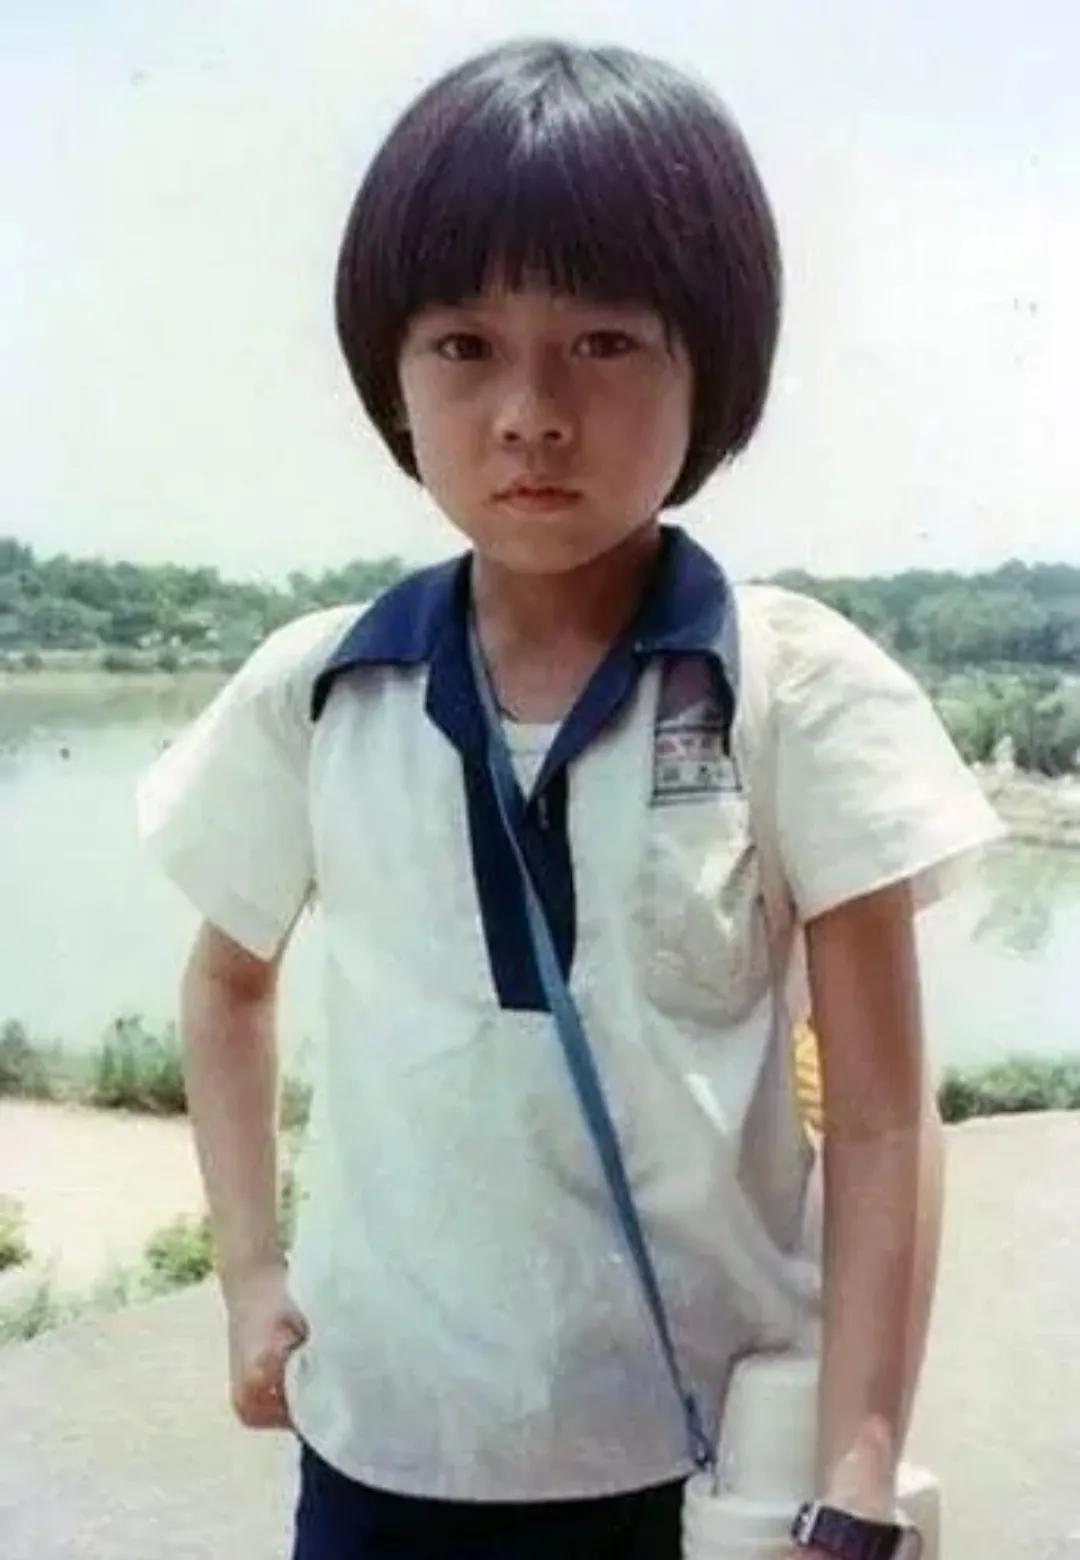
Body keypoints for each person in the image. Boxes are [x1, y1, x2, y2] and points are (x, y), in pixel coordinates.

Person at [136, 37, 1005, 1560]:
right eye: (465, 344)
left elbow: (879, 1120)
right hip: (384, 1446)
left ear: (711, 368)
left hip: (705, 1459)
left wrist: (859, 1460)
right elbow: (226, 985)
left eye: (603, 342)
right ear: (394, 376)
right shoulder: (323, 689)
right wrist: (251, 1273)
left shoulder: (795, 692)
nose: (530, 411)